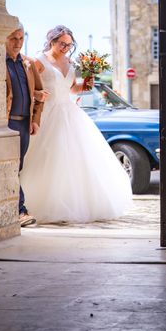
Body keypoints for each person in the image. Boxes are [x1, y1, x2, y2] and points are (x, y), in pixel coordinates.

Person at [19, 25, 133, 223]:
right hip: (48, 114)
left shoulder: (70, 62)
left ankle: (72, 205)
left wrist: (88, 79)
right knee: (47, 158)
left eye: (69, 45)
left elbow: (72, 89)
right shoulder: (39, 61)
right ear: (52, 41)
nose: (65, 48)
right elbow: (29, 86)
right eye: (62, 43)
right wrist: (37, 97)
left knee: (75, 160)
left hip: (70, 113)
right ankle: (34, 205)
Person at [5, 24, 49, 227]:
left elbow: (41, 94)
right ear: (5, 38)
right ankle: (20, 211)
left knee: (18, 167)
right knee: (10, 167)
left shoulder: (29, 63)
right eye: (13, 38)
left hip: (23, 124)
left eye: (21, 38)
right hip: (6, 123)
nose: (18, 43)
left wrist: (35, 120)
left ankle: (13, 208)